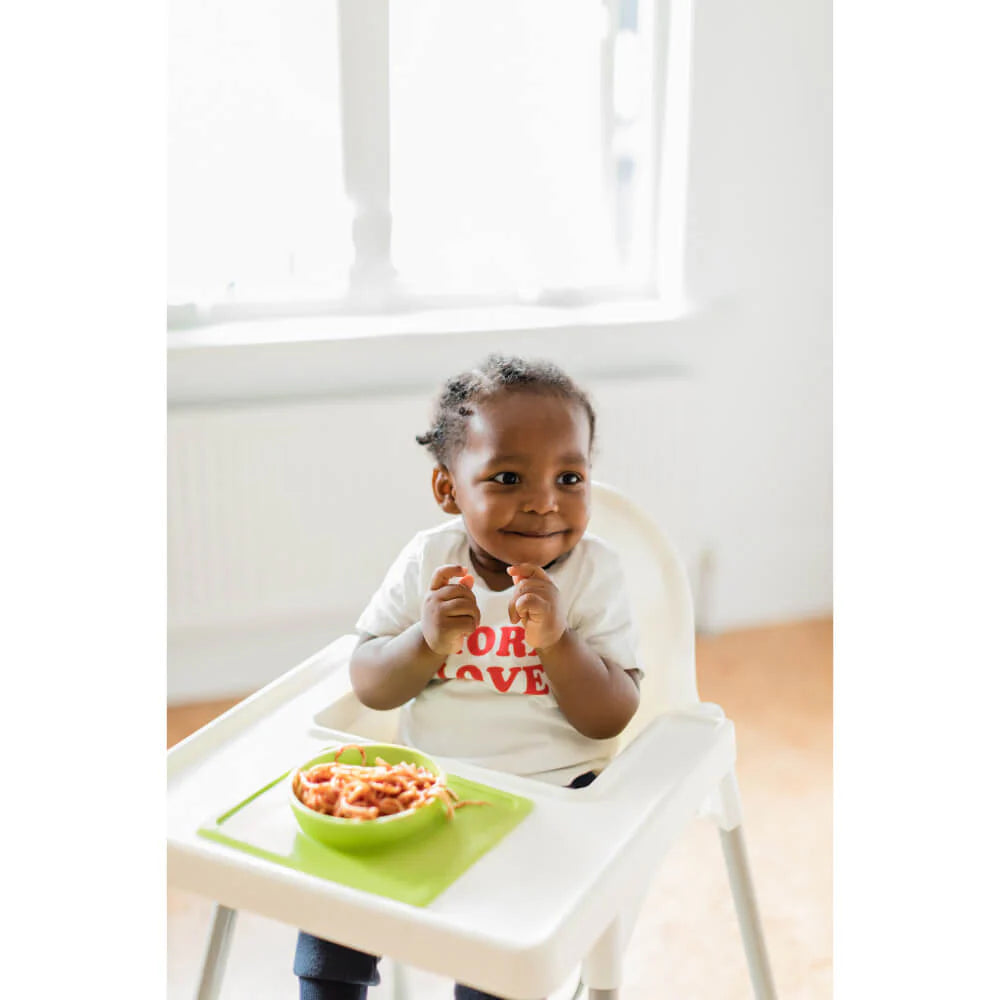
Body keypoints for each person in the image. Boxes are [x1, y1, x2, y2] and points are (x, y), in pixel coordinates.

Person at [295, 354, 643, 1000]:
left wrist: (559, 643)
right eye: (508, 477)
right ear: (449, 490)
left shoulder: (595, 574)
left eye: (570, 477)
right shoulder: (431, 559)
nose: (544, 503)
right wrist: (424, 643)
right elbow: (371, 682)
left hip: (555, 799)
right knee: (332, 900)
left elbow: (611, 715)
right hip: (432, 790)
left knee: (498, 950)